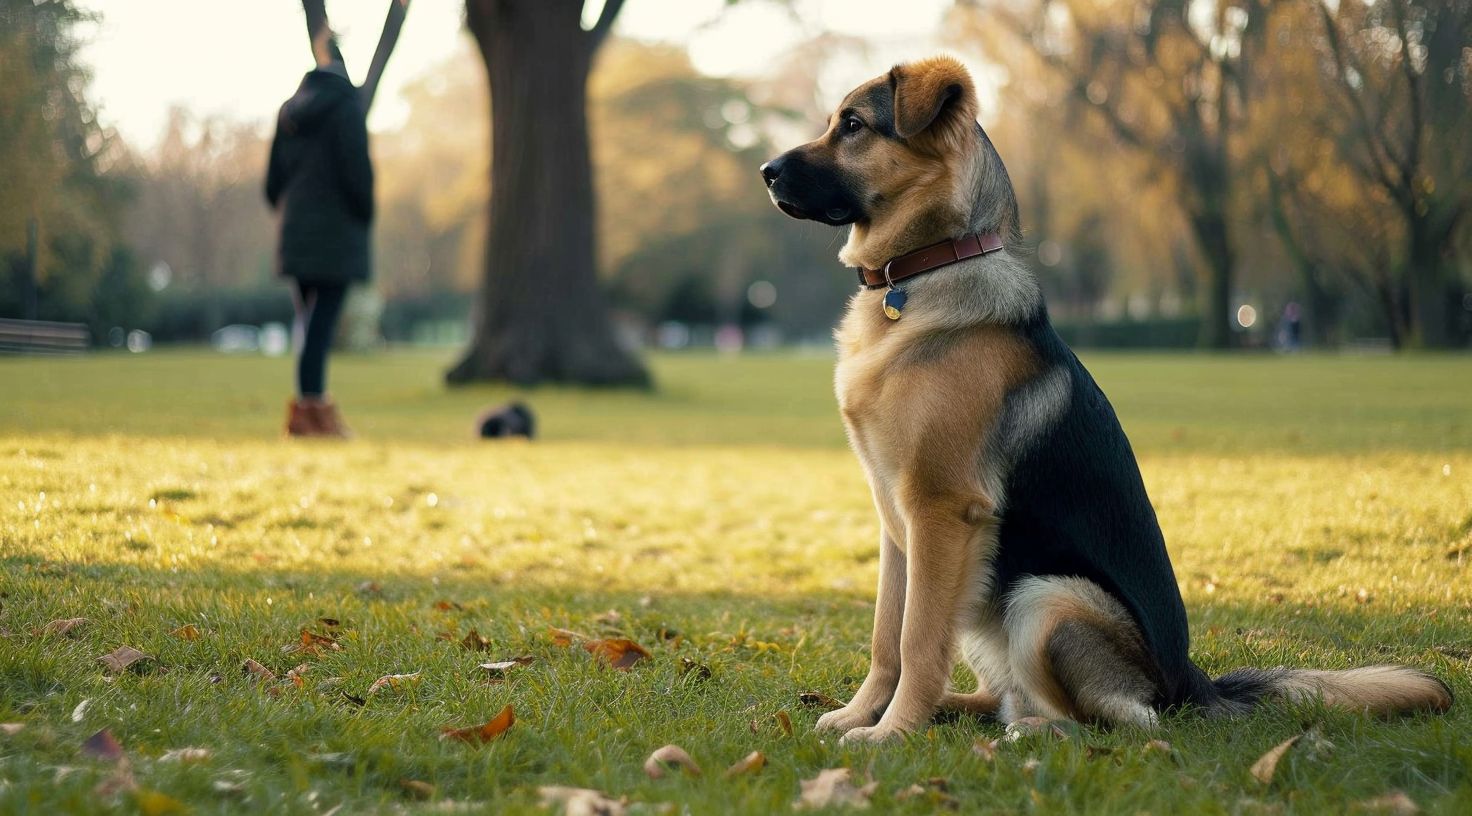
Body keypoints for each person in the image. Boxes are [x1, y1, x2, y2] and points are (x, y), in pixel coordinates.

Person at [265, 32, 373, 438]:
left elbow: (273, 183)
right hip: (335, 234)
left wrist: (292, 212)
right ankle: (312, 412)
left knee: (309, 323)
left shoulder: (289, 113)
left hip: (296, 233)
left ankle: (307, 409)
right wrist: (363, 213)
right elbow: (356, 172)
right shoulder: (347, 108)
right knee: (320, 324)